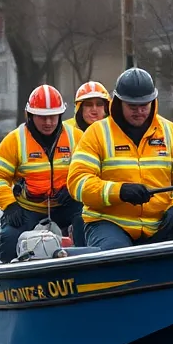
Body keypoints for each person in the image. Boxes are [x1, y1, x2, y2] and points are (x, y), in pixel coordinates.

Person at [66, 67, 173, 251]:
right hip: (109, 223)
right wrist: (120, 191)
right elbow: (78, 182)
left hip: (160, 222)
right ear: (119, 102)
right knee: (116, 253)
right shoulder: (96, 133)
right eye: (132, 107)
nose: (139, 111)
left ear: (152, 102)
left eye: (144, 105)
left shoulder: (171, 132)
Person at [0, 85, 81, 262]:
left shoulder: (77, 137)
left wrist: (73, 190)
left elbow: (89, 172)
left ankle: (86, 269)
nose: (48, 123)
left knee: (86, 222)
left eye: (52, 117)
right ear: (30, 115)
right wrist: (9, 205)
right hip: (27, 208)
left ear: (60, 115)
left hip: (67, 204)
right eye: (42, 117)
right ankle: (9, 280)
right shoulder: (14, 140)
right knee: (9, 239)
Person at [65, 81, 111, 246]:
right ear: (79, 108)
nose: (94, 109)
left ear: (107, 107)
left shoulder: (116, 132)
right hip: (71, 195)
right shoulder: (65, 131)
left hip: (107, 193)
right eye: (88, 105)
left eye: (99, 104)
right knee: (79, 214)